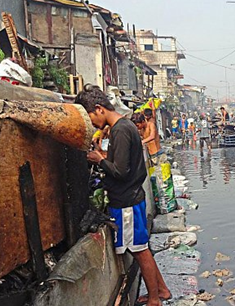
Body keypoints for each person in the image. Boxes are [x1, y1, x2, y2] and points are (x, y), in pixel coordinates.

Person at [75, 85, 170, 306]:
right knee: (141, 247)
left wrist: (99, 160)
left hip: (127, 201)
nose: (92, 123)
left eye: (90, 116)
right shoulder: (123, 128)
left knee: (140, 250)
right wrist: (103, 155)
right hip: (130, 198)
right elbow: (122, 162)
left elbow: (121, 171)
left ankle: (155, 299)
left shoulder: (120, 130)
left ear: (98, 109)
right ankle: (162, 290)